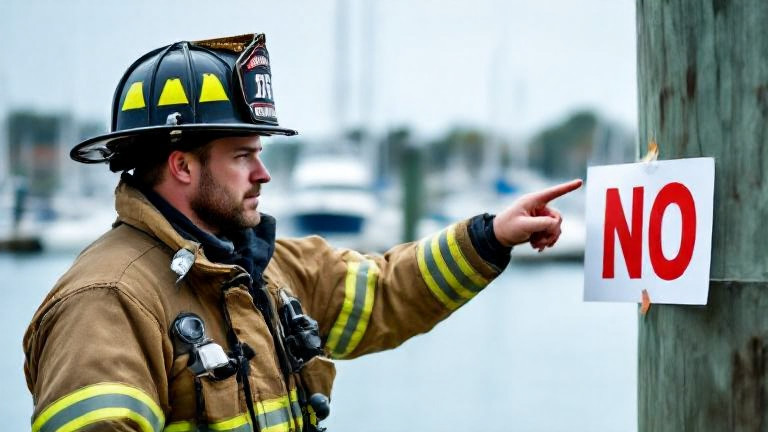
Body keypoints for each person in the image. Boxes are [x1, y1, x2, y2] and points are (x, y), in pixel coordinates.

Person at [23, 33, 582, 432]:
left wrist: (490, 237)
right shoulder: (107, 301)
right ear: (182, 166)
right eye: (243, 155)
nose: (263, 173)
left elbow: (386, 291)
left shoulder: (264, 270)